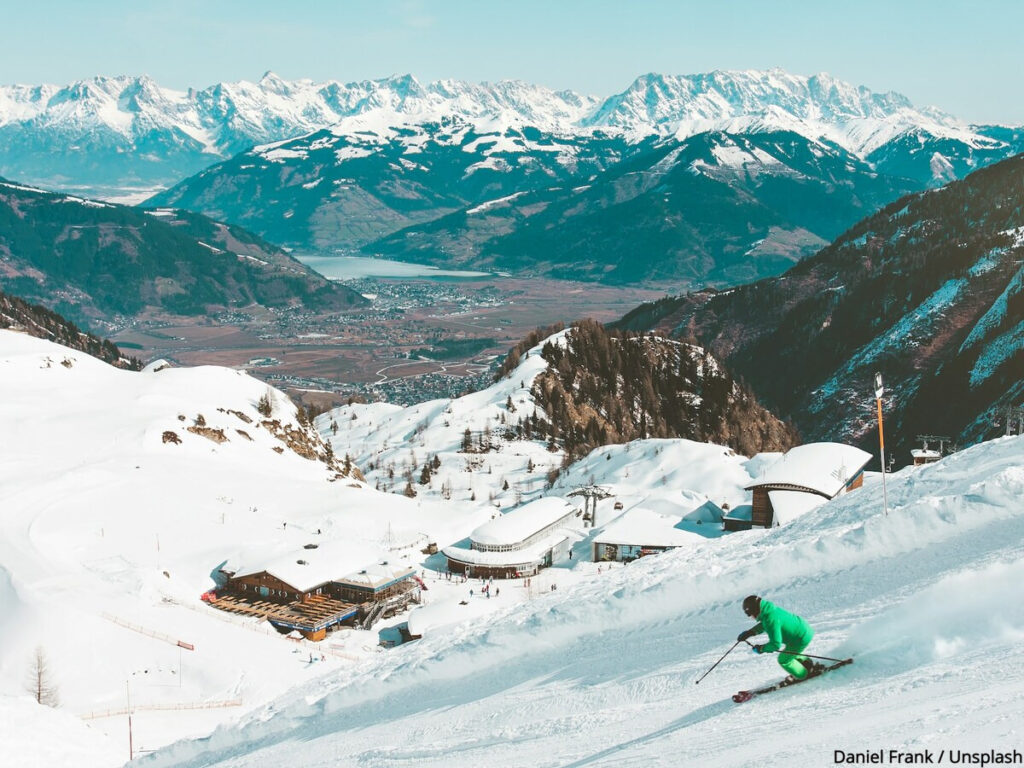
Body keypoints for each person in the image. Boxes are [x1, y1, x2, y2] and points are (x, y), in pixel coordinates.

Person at [737, 595, 820, 682]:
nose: (751, 617)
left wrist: (761, 649)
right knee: (790, 652)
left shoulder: (770, 619)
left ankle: (804, 674)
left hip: (800, 638)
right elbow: (765, 624)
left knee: (783, 660)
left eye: (750, 614)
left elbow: (775, 644)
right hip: (803, 629)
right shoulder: (769, 610)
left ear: (755, 610)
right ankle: (807, 663)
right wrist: (750, 632)